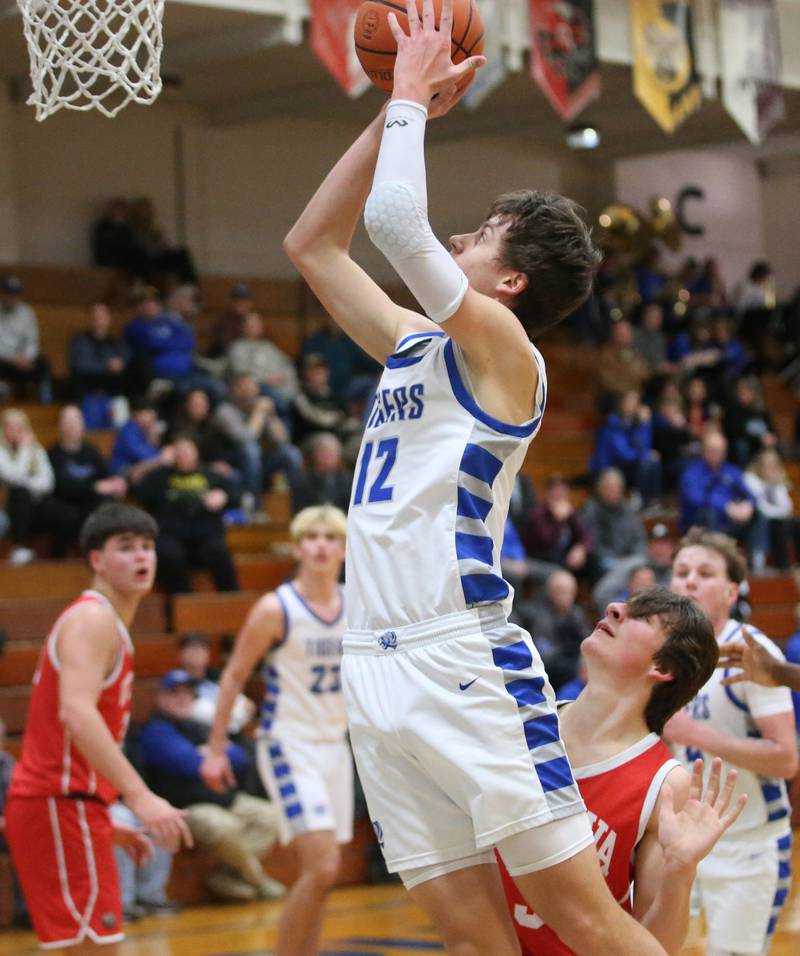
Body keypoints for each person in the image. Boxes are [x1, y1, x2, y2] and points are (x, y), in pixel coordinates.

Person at [280, 3, 671, 953]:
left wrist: (412, 88)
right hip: (372, 671)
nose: (462, 236)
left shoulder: (507, 357)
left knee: (586, 921)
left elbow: (397, 223)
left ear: (510, 287)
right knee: (475, 945)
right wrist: (394, 110)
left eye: (486, 233)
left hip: (462, 661)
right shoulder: (416, 346)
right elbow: (312, 246)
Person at [501, 587, 746, 955]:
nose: (614, 609)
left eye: (642, 618)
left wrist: (681, 871)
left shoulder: (661, 781)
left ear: (662, 668)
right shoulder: (524, 722)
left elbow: (655, 945)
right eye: (622, 606)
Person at [4, 503, 191, 951]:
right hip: (58, 804)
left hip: (70, 807)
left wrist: (104, 817)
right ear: (96, 560)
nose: (142, 556)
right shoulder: (93, 618)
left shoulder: (106, 622)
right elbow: (76, 714)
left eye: (147, 546)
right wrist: (138, 795)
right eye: (125, 548)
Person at [200, 505, 350, 956]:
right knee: (322, 867)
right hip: (289, 743)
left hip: (336, 746)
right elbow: (233, 675)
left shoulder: (357, 602)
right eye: (311, 537)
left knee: (324, 875)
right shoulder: (276, 607)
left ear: (343, 549)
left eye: (329, 537)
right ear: (297, 548)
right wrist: (215, 747)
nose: (320, 545)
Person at [664, 527, 798, 956]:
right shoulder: (671, 654)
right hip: (683, 840)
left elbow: (785, 760)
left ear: (731, 590)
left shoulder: (752, 651)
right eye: (681, 571)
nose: (689, 581)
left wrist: (695, 734)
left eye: (704, 572)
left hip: (749, 844)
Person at [136, 669, 283, 903]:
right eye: (174, 692)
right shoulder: (156, 731)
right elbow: (189, 764)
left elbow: (239, 757)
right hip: (186, 808)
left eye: (188, 693)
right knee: (223, 826)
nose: (182, 698)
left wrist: (212, 753)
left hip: (226, 800)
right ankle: (257, 878)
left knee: (270, 816)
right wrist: (212, 754)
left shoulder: (201, 726)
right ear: (160, 697)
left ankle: (227, 876)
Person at [135, 436, 240, 595]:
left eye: (187, 451)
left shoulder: (210, 474)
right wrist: (157, 462)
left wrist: (224, 495)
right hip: (171, 537)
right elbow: (137, 489)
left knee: (219, 552)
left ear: (196, 453)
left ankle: (231, 601)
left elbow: (237, 496)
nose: (183, 455)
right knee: (169, 555)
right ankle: (181, 607)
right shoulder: (160, 476)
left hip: (205, 536)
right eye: (179, 451)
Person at [0, 407, 56, 565]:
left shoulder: (36, 449)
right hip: (9, 506)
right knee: (20, 493)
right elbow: (13, 477)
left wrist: (28, 484)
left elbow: (48, 481)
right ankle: (19, 546)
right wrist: (24, 449)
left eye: (18, 426)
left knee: (62, 512)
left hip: (35, 503)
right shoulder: (1, 451)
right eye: (9, 426)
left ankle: (58, 556)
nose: (14, 431)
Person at [0, 275, 52, 402]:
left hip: (24, 360)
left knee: (43, 363)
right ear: (3, 294)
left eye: (16, 294)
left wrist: (28, 357)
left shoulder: (27, 312)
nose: (13, 298)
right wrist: (13, 358)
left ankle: (45, 399)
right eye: (10, 294)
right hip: (4, 359)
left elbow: (32, 340)